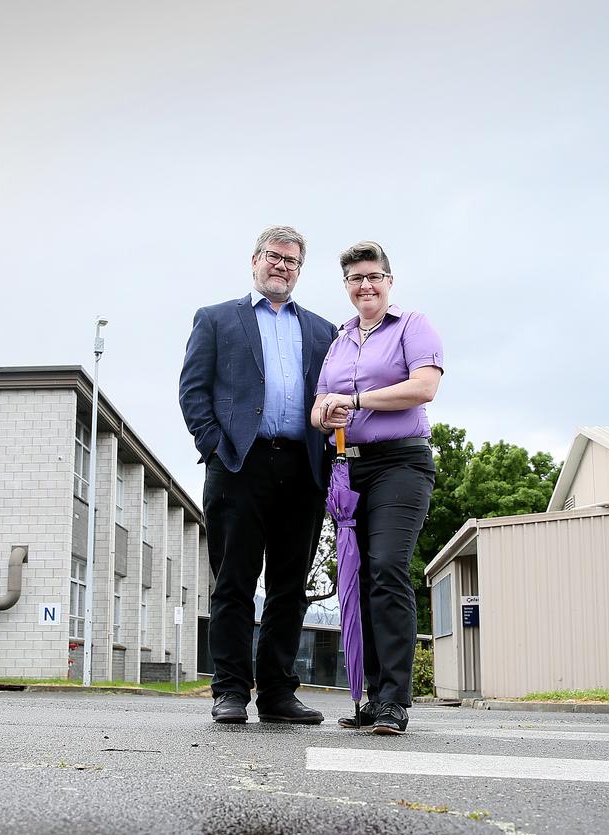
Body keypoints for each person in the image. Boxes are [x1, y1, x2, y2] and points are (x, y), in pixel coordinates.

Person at [179, 226, 337, 725]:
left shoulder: (322, 330)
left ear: (299, 270)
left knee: (291, 587)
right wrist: (215, 447)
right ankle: (229, 690)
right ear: (255, 260)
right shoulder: (216, 319)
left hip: (302, 467)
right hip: (238, 466)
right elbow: (193, 390)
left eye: (292, 261)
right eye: (274, 257)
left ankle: (276, 693)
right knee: (234, 583)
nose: (282, 267)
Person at [312, 240, 443, 735]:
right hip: (349, 468)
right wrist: (329, 413)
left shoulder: (412, 326)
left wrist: (358, 398)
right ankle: (368, 695)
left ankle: (394, 701)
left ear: (389, 280)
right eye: (355, 279)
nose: (365, 285)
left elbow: (423, 387)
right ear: (346, 287)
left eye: (373, 276)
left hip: (401, 464)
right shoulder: (339, 340)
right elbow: (318, 409)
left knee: (387, 568)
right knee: (357, 578)